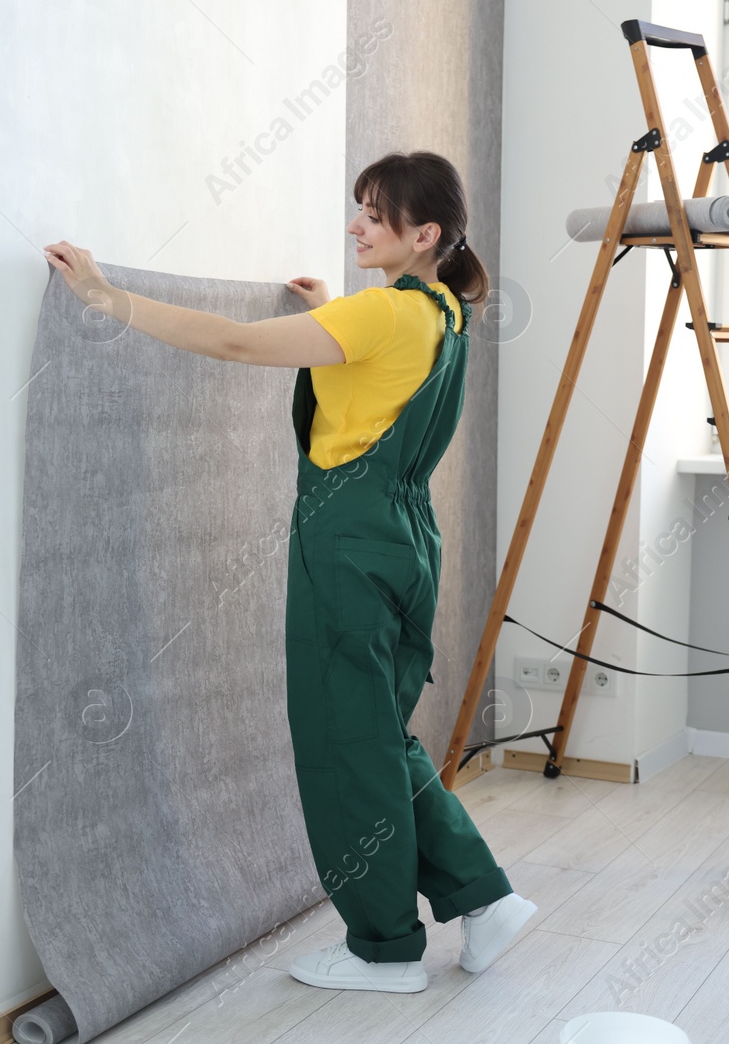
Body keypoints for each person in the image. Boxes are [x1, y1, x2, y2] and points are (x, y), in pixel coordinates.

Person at [43, 150, 536, 995]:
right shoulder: (444, 311)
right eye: (360, 210)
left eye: (375, 217)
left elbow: (236, 342)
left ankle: (383, 950)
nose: (356, 225)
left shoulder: (385, 313)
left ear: (424, 234)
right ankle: (483, 896)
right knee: (377, 732)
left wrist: (104, 297)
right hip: (405, 535)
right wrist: (329, 313)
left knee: (344, 744)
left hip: (345, 538)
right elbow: (379, 374)